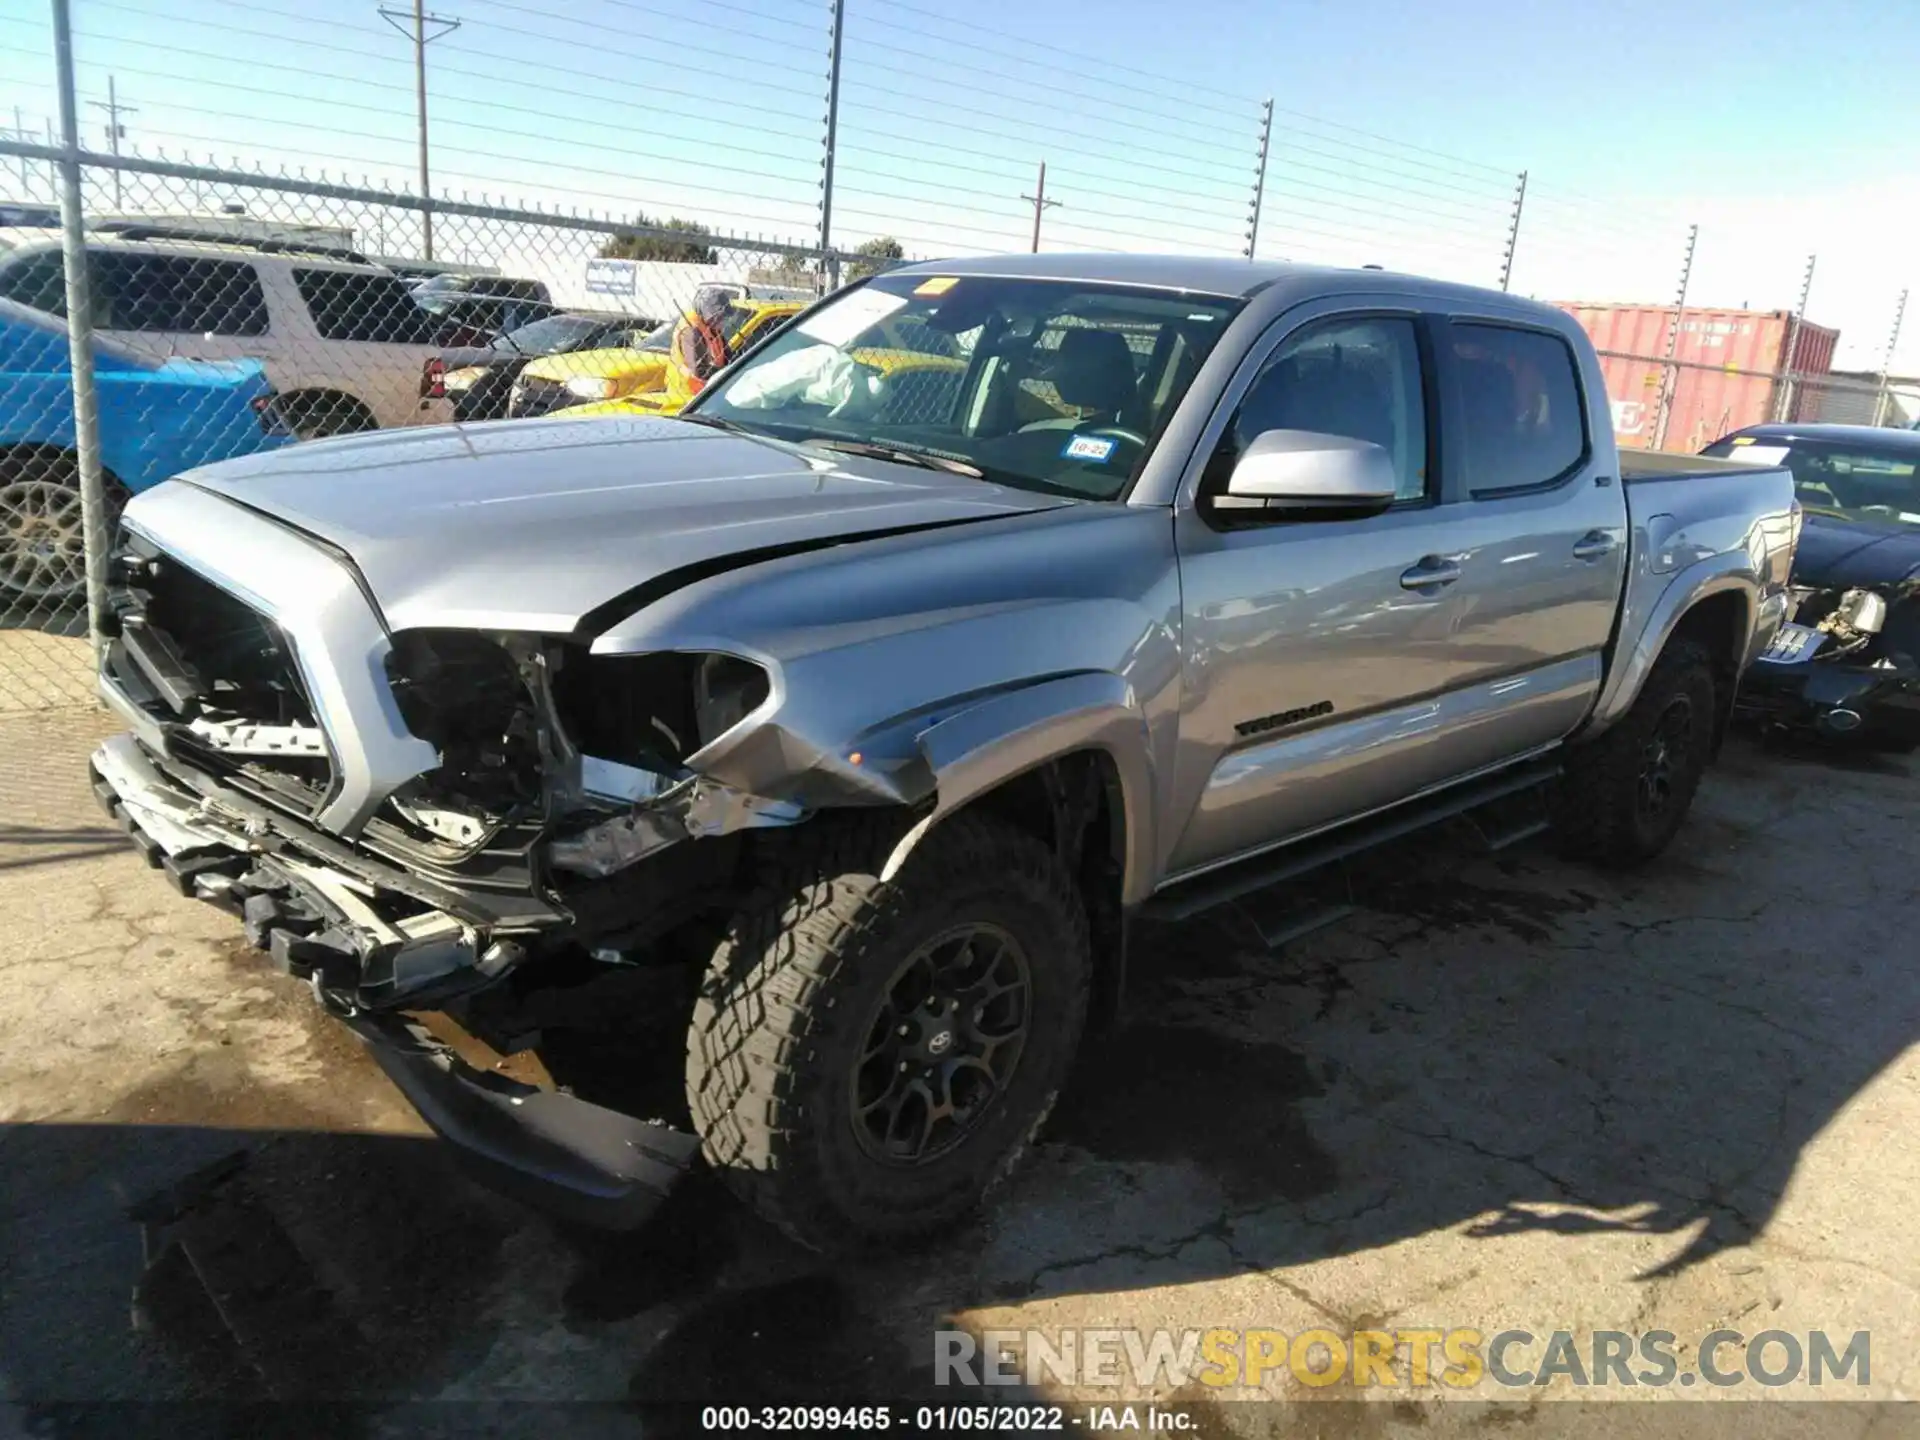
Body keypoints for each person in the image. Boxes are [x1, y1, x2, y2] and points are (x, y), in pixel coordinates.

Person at [672, 285, 735, 394]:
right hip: (687, 396)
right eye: (717, 316)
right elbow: (699, 371)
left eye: (723, 316)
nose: (721, 320)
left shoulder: (711, 326)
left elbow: (728, 355)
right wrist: (721, 372)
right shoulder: (691, 331)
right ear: (705, 313)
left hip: (708, 393)